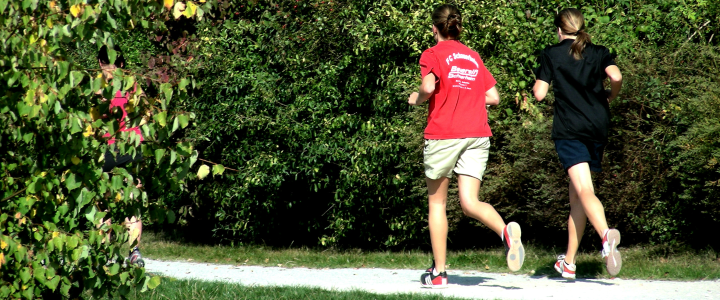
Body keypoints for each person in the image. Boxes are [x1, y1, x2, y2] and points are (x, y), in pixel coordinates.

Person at [408, 4, 524, 288]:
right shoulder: (472, 56)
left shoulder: (432, 54)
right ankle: (506, 233)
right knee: (470, 202)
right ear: (457, 27)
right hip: (477, 134)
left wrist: (416, 99)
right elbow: (494, 97)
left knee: (437, 203)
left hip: (444, 134)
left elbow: (427, 88)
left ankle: (439, 273)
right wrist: (467, 97)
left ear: (434, 28)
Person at [532, 8, 623, 279]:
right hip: (597, 126)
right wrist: (609, 96)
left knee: (584, 189)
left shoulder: (552, 54)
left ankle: (606, 237)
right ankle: (569, 263)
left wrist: (540, 83)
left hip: (570, 128)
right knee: (577, 197)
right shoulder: (597, 51)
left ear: (559, 30)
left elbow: (539, 94)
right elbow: (616, 77)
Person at [96, 44, 145, 267]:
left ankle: (106, 255)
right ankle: (134, 252)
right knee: (131, 200)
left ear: (99, 63)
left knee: (103, 204)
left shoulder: (97, 87)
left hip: (108, 148)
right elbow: (147, 111)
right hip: (131, 146)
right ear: (122, 63)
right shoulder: (131, 83)